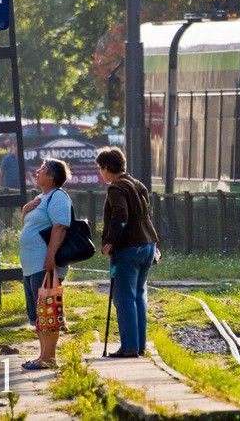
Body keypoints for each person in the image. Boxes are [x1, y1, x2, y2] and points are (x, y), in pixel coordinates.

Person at [96, 146, 159, 358]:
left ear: (106, 167)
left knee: (123, 298)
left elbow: (121, 216)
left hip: (129, 248)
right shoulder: (137, 184)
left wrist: (110, 242)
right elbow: (144, 214)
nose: (101, 174)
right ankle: (139, 345)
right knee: (139, 295)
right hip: (148, 245)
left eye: (100, 169)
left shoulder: (116, 188)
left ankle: (130, 348)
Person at [19, 157, 72, 370]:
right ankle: (42, 356)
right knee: (38, 314)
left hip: (45, 266)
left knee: (48, 311)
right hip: (32, 266)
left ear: (52, 176)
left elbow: (60, 227)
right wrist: (25, 210)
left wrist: (50, 256)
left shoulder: (58, 197)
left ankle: (50, 358)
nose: (37, 171)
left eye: (43, 169)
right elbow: (28, 225)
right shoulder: (40, 198)